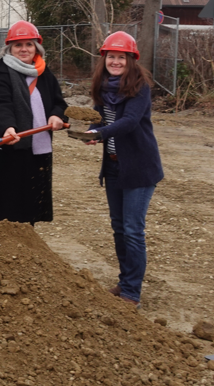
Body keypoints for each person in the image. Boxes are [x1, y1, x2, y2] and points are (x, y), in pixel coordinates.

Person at [85, 31, 163, 307]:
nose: (115, 62)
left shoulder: (140, 87)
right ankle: (125, 280)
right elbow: (98, 117)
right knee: (119, 228)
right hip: (114, 166)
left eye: (121, 57)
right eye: (111, 57)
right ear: (104, 59)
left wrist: (101, 134)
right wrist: (90, 130)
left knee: (132, 229)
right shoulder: (103, 86)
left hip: (139, 168)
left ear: (131, 60)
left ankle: (132, 292)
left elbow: (129, 122)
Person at [0, 20, 67, 224]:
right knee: (9, 206)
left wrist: (56, 116)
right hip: (11, 148)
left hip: (39, 150)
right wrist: (7, 127)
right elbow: (0, 103)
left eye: (29, 44)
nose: (24, 49)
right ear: (10, 49)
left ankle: (28, 238)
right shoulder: (3, 73)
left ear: (36, 47)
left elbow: (59, 103)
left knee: (31, 205)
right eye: (18, 45)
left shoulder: (45, 73)